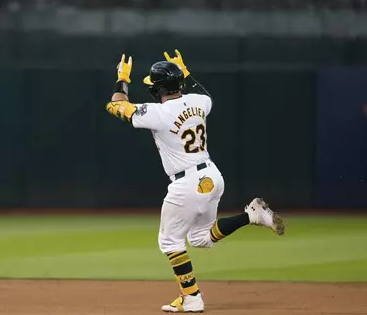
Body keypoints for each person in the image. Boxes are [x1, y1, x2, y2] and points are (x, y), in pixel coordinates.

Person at [105, 51, 285, 313]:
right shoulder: (200, 101)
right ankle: (250, 215)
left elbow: (115, 105)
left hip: (186, 183)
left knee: (170, 242)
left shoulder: (158, 113)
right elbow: (204, 93)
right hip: (212, 175)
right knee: (201, 239)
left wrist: (121, 79)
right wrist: (185, 72)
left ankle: (192, 297)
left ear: (157, 90)